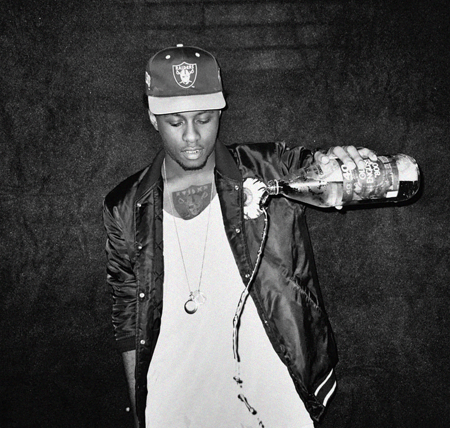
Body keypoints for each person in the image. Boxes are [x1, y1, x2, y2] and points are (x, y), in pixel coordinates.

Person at [103, 44, 376, 428]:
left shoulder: (270, 169)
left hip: (271, 396)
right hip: (175, 401)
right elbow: (128, 312)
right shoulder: (125, 205)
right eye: (176, 123)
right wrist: (140, 408)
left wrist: (344, 163)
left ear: (221, 111)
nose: (193, 136)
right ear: (152, 116)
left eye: (204, 119)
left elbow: (322, 167)